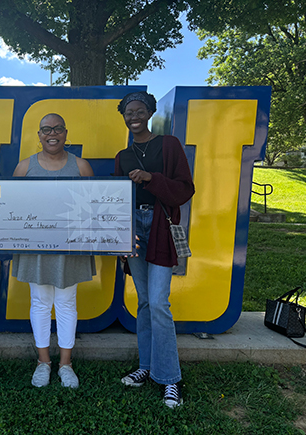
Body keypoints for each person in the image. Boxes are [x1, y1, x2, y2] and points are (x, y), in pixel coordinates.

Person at [114, 91, 194, 408]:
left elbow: (185, 189)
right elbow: (117, 200)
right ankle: (146, 367)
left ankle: (170, 379)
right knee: (145, 302)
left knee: (159, 303)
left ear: (149, 113)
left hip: (160, 227)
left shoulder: (169, 145)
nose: (133, 116)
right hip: (134, 229)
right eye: (127, 112)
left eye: (138, 111)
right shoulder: (123, 156)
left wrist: (151, 178)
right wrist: (119, 237)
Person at [11, 113, 96, 389]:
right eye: (46, 129)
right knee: (39, 301)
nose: (52, 133)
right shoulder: (24, 168)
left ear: (65, 132)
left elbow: (92, 211)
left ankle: (66, 364)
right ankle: (43, 362)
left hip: (69, 249)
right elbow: (11, 209)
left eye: (58, 128)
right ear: (39, 134)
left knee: (67, 303)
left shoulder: (81, 167)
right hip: (36, 249)